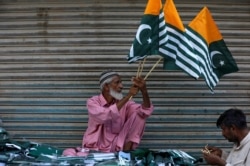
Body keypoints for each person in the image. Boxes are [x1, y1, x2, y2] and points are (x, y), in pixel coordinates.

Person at [82, 70, 154, 152]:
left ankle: (126, 153)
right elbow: (105, 116)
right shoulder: (93, 102)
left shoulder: (124, 104)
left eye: (121, 82)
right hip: (96, 147)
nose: (121, 86)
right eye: (117, 83)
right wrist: (129, 96)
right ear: (106, 86)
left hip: (116, 146)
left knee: (140, 116)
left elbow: (145, 111)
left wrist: (144, 91)